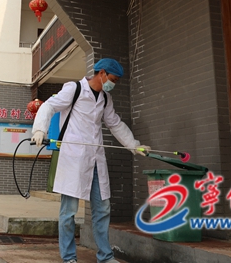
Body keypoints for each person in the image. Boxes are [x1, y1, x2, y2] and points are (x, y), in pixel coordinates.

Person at [31, 58, 150, 263]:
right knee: (68, 212)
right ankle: (69, 258)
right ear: (102, 73)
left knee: (102, 209)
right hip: (74, 159)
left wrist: (134, 145)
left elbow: (115, 124)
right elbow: (49, 106)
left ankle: (105, 257)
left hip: (95, 160)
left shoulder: (105, 99)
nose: (113, 84)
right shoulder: (75, 89)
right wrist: (40, 129)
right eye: (113, 79)